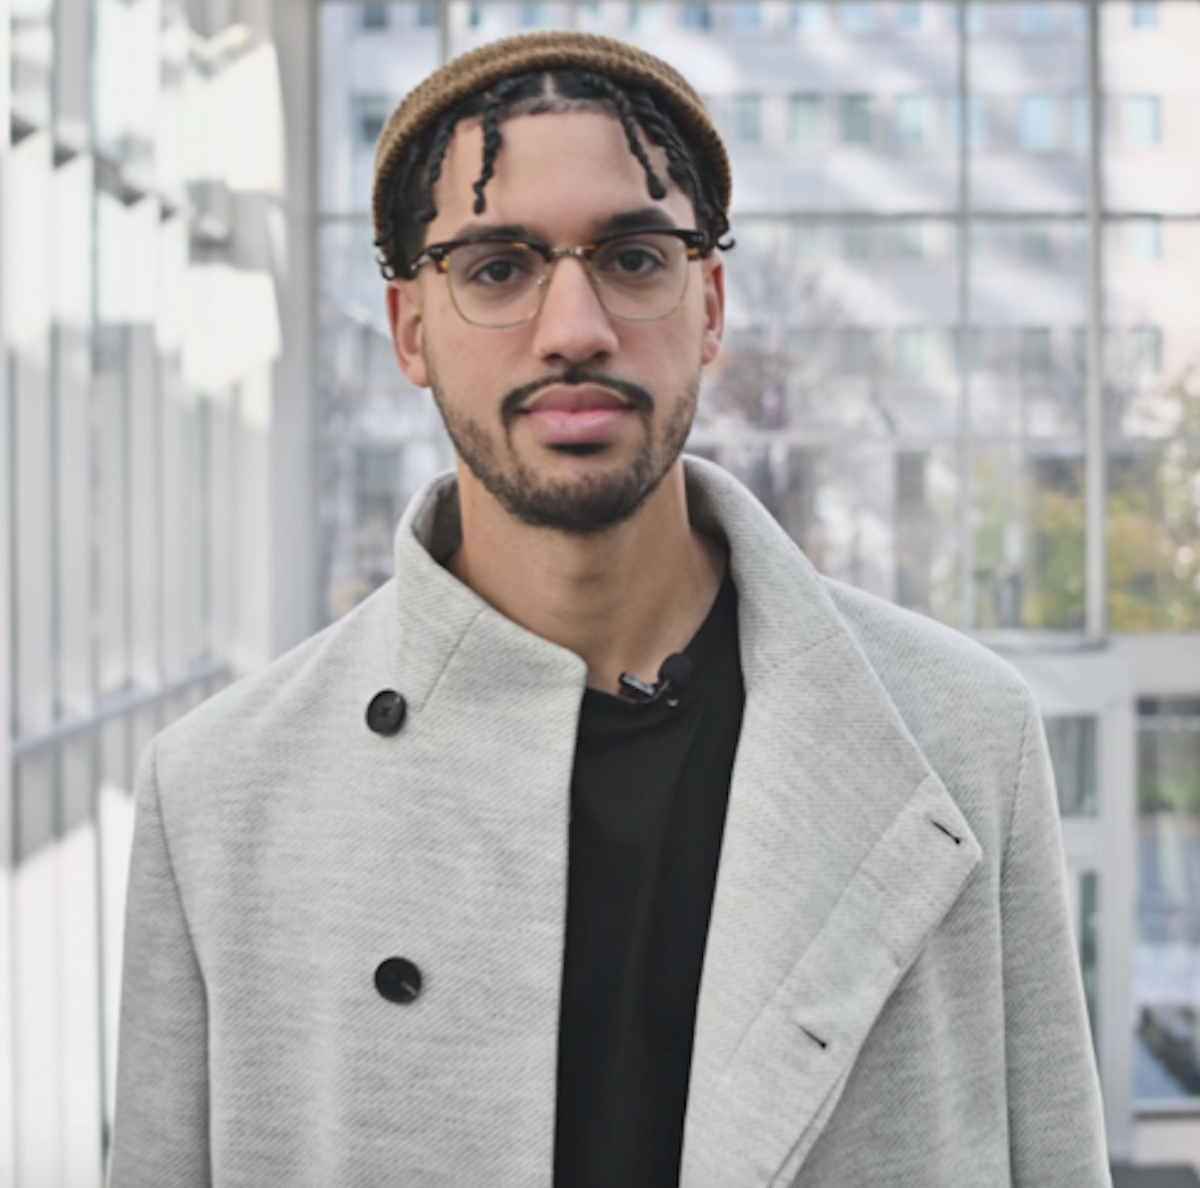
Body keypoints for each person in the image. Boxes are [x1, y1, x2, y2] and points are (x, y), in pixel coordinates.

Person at [110, 31, 1112, 1188]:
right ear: (410, 331)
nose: (575, 326)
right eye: (497, 267)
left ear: (711, 305)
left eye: (635, 258)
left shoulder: (963, 735)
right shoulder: (221, 791)